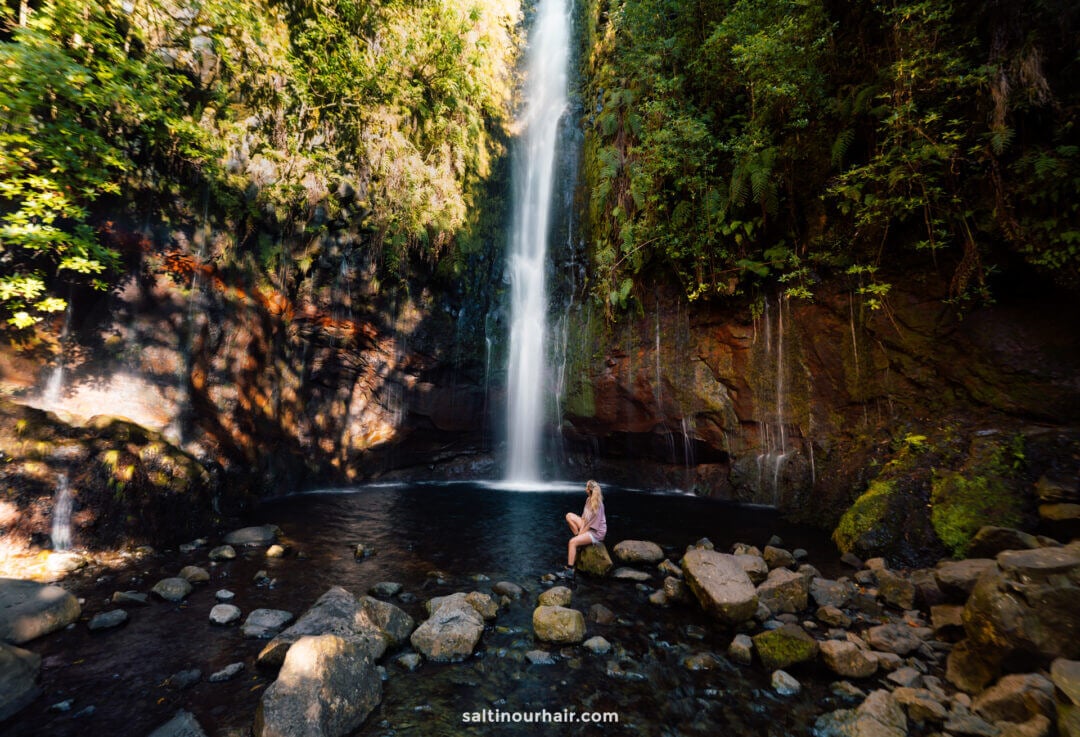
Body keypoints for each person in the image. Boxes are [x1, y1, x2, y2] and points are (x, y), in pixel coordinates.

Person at [559, 479, 606, 581]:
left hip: (596, 532)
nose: (585, 489)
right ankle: (578, 540)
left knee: (572, 542)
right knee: (569, 516)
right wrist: (580, 534)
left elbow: (592, 526)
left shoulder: (598, 505)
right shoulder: (588, 500)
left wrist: (581, 533)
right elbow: (584, 519)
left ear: (590, 490)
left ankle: (569, 571)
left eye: (586, 487)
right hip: (587, 526)